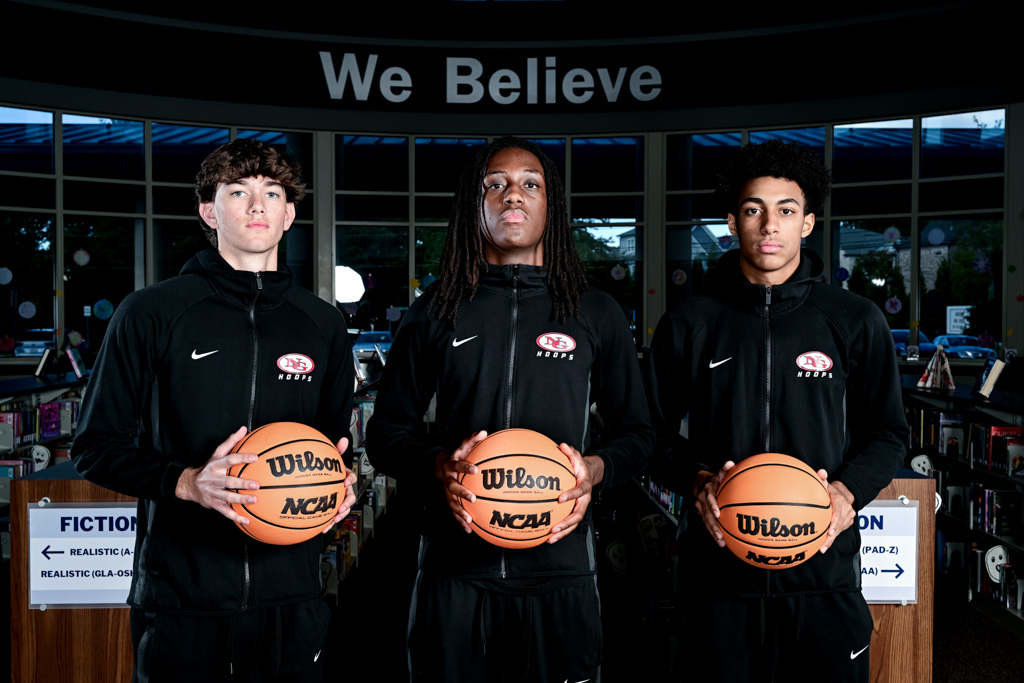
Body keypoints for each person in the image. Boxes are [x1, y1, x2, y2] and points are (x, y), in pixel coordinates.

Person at [366, 136, 653, 683]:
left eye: (530, 184)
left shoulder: (594, 312)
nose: (512, 195)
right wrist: (439, 466)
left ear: (551, 203)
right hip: (454, 567)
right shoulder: (436, 311)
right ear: (473, 205)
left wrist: (594, 469)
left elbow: (638, 434)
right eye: (494, 184)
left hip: (562, 567)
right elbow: (385, 434)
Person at [73, 138, 357, 683]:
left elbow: (332, 446)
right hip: (183, 597)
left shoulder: (322, 324)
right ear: (209, 211)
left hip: (293, 596)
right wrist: (186, 482)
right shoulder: (151, 312)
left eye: (272, 193)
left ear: (288, 215)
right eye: (238, 191)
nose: (257, 205)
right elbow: (94, 447)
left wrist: (339, 486)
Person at [648, 139, 908, 683]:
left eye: (786, 211)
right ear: (732, 223)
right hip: (718, 578)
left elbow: (887, 432)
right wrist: (696, 480)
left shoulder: (855, 319)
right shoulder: (690, 323)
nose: (770, 225)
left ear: (808, 223)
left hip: (823, 577)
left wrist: (847, 492)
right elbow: (649, 433)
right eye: (753, 210)